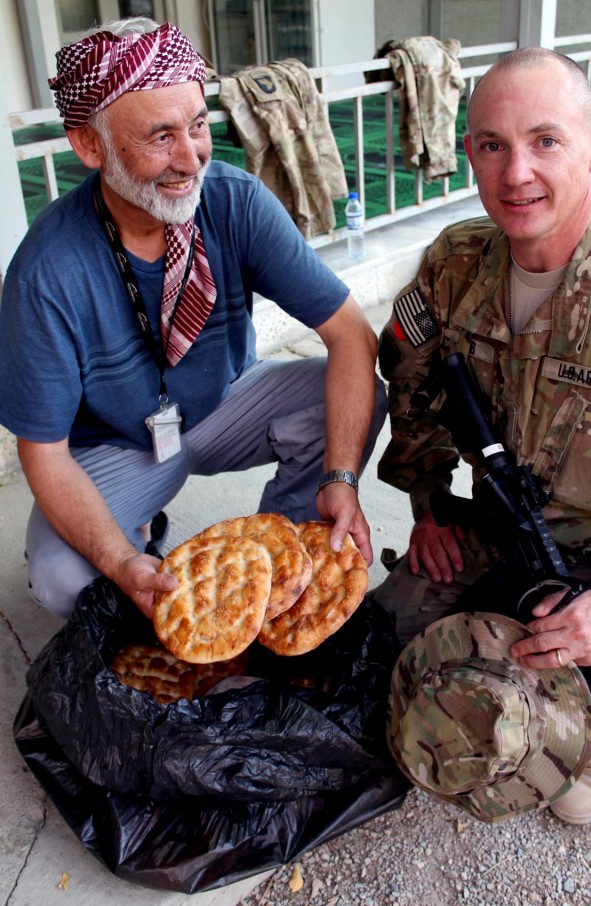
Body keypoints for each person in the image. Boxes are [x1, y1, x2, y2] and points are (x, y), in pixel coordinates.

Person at [0, 17, 386, 621]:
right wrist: (119, 561)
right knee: (61, 578)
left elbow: (351, 335)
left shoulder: (235, 202)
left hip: (224, 404)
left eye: (199, 125)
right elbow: (44, 453)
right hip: (118, 444)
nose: (192, 158)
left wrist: (340, 476)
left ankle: (279, 551)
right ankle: (137, 534)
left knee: (347, 394)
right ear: (90, 146)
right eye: (161, 137)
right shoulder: (46, 272)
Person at [374, 47, 591, 825]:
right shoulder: (455, 264)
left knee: (536, 761)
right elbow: (410, 383)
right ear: (470, 156)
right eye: (493, 144)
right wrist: (430, 504)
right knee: (382, 643)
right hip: (501, 531)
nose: (516, 172)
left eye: (545, 141)